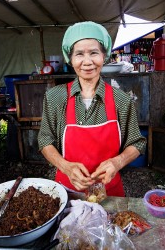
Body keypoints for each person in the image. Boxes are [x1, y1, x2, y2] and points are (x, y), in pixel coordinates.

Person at [38, 21, 146, 196]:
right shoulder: (55, 97)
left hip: (109, 192)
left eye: (94, 53)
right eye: (79, 54)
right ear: (70, 59)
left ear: (104, 56)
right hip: (67, 191)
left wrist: (117, 163)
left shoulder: (121, 100)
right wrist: (65, 166)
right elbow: (45, 140)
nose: (87, 62)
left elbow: (136, 142)